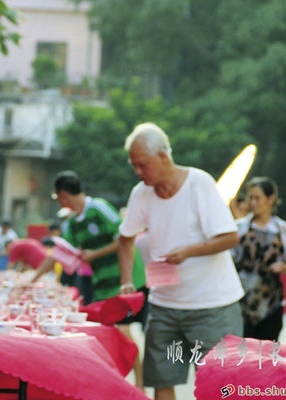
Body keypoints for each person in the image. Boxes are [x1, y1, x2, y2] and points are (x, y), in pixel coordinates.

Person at [118, 122, 244, 400]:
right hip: (164, 305)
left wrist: (189, 251)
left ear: (164, 156)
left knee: (219, 383)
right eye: (134, 166)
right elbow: (125, 238)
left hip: (213, 306)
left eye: (143, 165)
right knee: (162, 377)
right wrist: (126, 280)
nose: (139, 172)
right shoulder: (141, 194)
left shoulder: (199, 183)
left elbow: (230, 238)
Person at [52, 170, 146, 305]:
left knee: (125, 325)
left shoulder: (99, 208)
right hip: (103, 285)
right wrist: (33, 279)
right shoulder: (72, 224)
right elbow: (59, 252)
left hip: (127, 281)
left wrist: (95, 254)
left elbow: (124, 239)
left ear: (63, 195)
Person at [232, 177, 286, 340]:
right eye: (250, 197)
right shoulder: (239, 227)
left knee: (267, 356)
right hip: (241, 300)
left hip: (270, 302)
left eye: (257, 198)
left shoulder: (282, 229)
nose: (252, 202)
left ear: (271, 199)